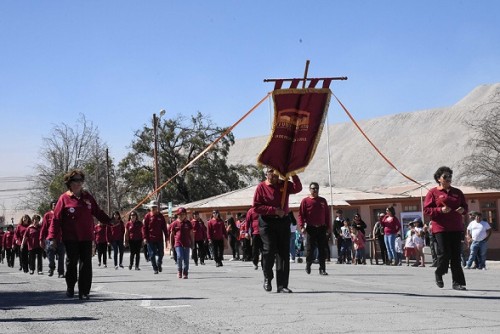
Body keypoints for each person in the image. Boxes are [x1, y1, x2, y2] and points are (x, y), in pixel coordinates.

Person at [48, 169, 112, 300]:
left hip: (86, 236)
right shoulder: (64, 198)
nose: (79, 183)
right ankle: (70, 286)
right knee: (71, 263)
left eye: (81, 180)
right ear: (69, 183)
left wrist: (110, 221)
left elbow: (98, 212)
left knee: (86, 263)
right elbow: (55, 219)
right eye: (76, 180)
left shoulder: (87, 197)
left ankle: (84, 291)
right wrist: (53, 238)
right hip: (70, 237)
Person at [253, 167, 302, 293]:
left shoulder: (284, 184)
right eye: (272, 173)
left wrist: (293, 173)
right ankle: (267, 278)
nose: (275, 175)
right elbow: (257, 207)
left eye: (276, 173)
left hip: (283, 221)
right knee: (269, 250)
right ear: (267, 174)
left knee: (283, 253)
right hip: (267, 222)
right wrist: (273, 210)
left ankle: (282, 285)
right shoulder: (261, 188)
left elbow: (298, 188)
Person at [423, 166, 468, 291]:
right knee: (445, 253)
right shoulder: (433, 192)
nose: (448, 179)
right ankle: (439, 272)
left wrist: (463, 210)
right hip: (440, 227)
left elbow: (465, 207)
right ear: (439, 179)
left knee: (456, 256)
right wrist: (440, 210)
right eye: (445, 177)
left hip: (456, 227)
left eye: (450, 176)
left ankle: (458, 282)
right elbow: (426, 210)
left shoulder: (457, 192)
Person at [298, 182, 331, 275]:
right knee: (310, 249)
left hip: (321, 228)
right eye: (313, 188)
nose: (315, 190)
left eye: (316, 188)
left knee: (322, 249)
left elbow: (327, 215)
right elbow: (301, 215)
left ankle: (322, 269)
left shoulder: (323, 201)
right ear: (310, 189)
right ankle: (308, 265)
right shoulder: (305, 201)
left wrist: (328, 227)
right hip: (310, 228)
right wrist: (302, 226)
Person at [41, 200, 66, 277]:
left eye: (57, 204)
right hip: (50, 239)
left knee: (61, 257)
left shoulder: (63, 214)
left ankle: (61, 272)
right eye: (54, 204)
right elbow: (44, 228)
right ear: (51, 206)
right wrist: (41, 239)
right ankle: (51, 267)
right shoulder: (47, 215)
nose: (55, 206)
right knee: (50, 256)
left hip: (61, 239)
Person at [142, 202, 169, 274]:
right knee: (152, 254)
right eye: (152, 208)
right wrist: (145, 238)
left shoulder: (161, 216)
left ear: (157, 208)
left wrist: (166, 237)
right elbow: (144, 228)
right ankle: (155, 268)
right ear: (150, 208)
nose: (154, 209)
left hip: (159, 238)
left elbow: (164, 227)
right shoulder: (147, 216)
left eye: (155, 207)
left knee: (161, 253)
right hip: (150, 238)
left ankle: (159, 262)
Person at [170, 207, 194, 278]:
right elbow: (172, 234)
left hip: (186, 243)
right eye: (180, 214)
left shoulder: (188, 223)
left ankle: (185, 272)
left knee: (186, 258)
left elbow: (191, 234)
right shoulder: (175, 223)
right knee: (179, 256)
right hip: (178, 243)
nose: (181, 216)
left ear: (185, 215)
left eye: (183, 214)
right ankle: (179, 270)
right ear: (177, 215)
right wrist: (171, 245)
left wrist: (193, 243)